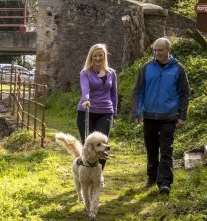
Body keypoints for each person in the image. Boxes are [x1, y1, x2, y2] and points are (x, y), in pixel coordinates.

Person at [131, 37, 190, 195]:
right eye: (155, 50)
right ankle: (152, 178)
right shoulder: (146, 68)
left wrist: (182, 115)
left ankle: (164, 183)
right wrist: (136, 113)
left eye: (160, 50)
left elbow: (184, 93)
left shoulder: (178, 69)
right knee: (151, 149)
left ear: (169, 49)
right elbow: (138, 91)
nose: (157, 53)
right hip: (149, 116)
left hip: (169, 117)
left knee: (166, 150)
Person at [76, 43, 118, 179]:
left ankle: (98, 176)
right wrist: (86, 99)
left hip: (105, 111)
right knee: (88, 147)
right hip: (86, 111)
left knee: (102, 147)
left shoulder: (111, 73)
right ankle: (85, 175)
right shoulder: (85, 73)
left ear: (104, 56)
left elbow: (114, 94)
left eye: (101, 55)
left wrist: (114, 112)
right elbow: (85, 89)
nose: (98, 58)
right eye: (95, 56)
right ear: (91, 57)